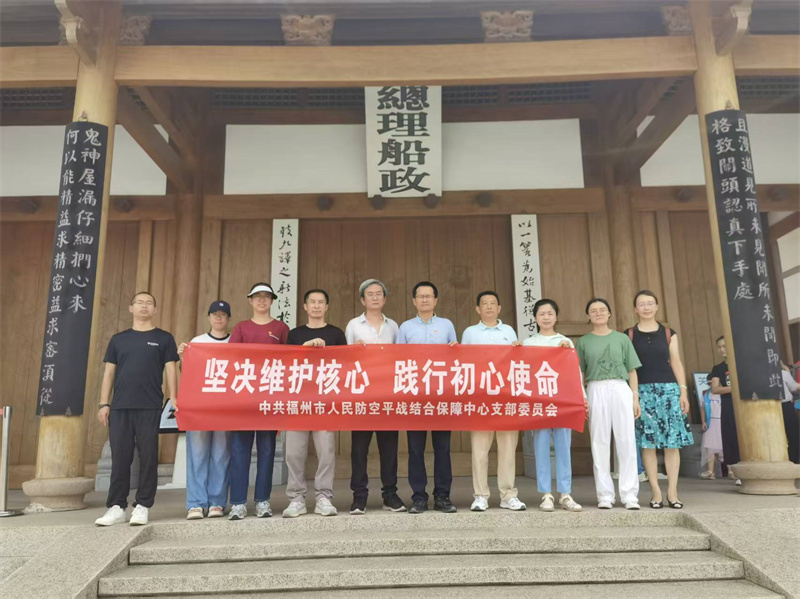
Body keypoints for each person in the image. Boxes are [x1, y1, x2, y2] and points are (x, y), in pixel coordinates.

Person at [94, 292, 179, 527]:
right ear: (131, 308)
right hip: (120, 406)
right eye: (139, 302)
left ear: (155, 310)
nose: (144, 306)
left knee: (149, 456)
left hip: (150, 406)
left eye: (149, 303)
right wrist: (104, 403)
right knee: (120, 457)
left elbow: (171, 369)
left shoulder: (164, 338)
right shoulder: (118, 340)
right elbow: (109, 373)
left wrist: (173, 397)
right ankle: (116, 506)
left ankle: (143, 505)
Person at [625, 290, 692, 509]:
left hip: (669, 391)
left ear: (656, 306)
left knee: (672, 444)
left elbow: (676, 362)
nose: (646, 307)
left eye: (650, 303)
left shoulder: (669, 333)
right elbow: (629, 368)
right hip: (642, 392)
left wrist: (683, 391)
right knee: (648, 444)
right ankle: (655, 491)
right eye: (641, 304)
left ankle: (672, 491)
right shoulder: (629, 335)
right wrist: (634, 396)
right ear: (635, 309)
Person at [228, 283, 289, 520]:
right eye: (257, 297)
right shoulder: (241, 327)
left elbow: (289, 361)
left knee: (267, 450)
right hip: (243, 397)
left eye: (266, 296)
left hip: (269, 397)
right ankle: (238, 503)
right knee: (239, 450)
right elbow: (230, 357)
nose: (262, 300)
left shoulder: (281, 328)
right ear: (250, 300)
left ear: (272, 301)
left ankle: (263, 501)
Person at [283, 289, 347, 518]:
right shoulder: (295, 334)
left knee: (326, 451)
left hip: (325, 402)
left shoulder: (336, 334)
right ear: (305, 306)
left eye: (321, 302)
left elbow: (346, 365)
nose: (317, 306)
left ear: (327, 307)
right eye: (313, 302)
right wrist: (305, 347)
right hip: (298, 401)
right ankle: (296, 498)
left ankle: (323, 496)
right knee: (294, 452)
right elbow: (286, 365)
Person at [344, 279, 406, 515]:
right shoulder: (353, 325)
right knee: (359, 448)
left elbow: (401, 358)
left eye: (379, 293)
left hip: (387, 395)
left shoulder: (393, 326)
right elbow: (345, 360)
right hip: (362, 397)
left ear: (385, 299)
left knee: (389, 447)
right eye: (370, 294)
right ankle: (359, 496)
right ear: (362, 300)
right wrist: (354, 350)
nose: (375, 297)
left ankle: (390, 494)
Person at [461, 291, 526, 512]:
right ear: (477, 309)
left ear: (499, 308)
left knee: (508, 448)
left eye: (493, 303)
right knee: (480, 450)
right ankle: (481, 496)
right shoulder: (470, 333)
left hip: (506, 398)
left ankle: (508, 495)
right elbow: (463, 363)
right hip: (480, 398)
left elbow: (517, 362)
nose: (489, 307)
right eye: (484, 304)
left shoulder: (508, 331)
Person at [397, 281, 458, 514]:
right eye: (420, 296)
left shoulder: (447, 325)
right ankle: (419, 497)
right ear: (414, 301)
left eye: (428, 296)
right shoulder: (405, 327)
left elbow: (455, 358)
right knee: (415, 449)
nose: (424, 299)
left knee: (443, 448)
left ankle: (442, 496)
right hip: (415, 396)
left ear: (435, 300)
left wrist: (456, 349)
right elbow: (398, 360)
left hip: (441, 396)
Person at [576, 298, 641, 510]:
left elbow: (632, 370)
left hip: (620, 388)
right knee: (599, 442)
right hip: (595, 388)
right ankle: (604, 495)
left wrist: (635, 397)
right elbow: (580, 373)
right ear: (588, 316)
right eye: (593, 310)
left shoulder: (622, 339)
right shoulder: (583, 342)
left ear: (609, 313)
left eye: (602, 309)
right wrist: (582, 398)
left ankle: (629, 495)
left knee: (626, 441)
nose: (598, 313)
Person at [522, 299, 583, 512]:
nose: (546, 317)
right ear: (535, 318)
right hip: (540, 402)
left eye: (550, 313)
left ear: (556, 316)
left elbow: (574, 372)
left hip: (563, 402)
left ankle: (565, 493)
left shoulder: (565, 342)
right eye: (542, 314)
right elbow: (523, 372)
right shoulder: (529, 343)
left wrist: (581, 397)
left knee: (563, 446)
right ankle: (546, 494)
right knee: (540, 447)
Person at [178, 300, 233, 520]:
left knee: (221, 454)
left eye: (223, 314)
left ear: (228, 318)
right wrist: (183, 356)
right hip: (199, 408)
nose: (219, 318)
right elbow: (188, 373)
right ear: (208, 317)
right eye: (215, 314)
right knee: (197, 454)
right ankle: (196, 503)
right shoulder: (197, 342)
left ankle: (217, 502)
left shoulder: (235, 342)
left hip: (225, 408)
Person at [708, 336, 741, 484]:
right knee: (730, 435)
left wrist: (728, 389)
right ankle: (735, 470)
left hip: (742, 404)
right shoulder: (718, 368)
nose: (722, 349)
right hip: (727, 405)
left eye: (724, 346)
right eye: (719, 347)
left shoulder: (740, 363)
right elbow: (715, 389)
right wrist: (734, 388)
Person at [700, 387, 724, 479]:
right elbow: (703, 408)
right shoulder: (706, 393)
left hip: (722, 421)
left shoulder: (725, 392)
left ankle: (731, 471)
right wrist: (703, 421)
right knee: (709, 447)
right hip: (711, 422)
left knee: (725, 447)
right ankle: (710, 471)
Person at [781, 361, 799, 464]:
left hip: (766, 407)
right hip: (786, 406)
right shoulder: (784, 373)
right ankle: (793, 460)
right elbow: (794, 387)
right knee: (794, 434)